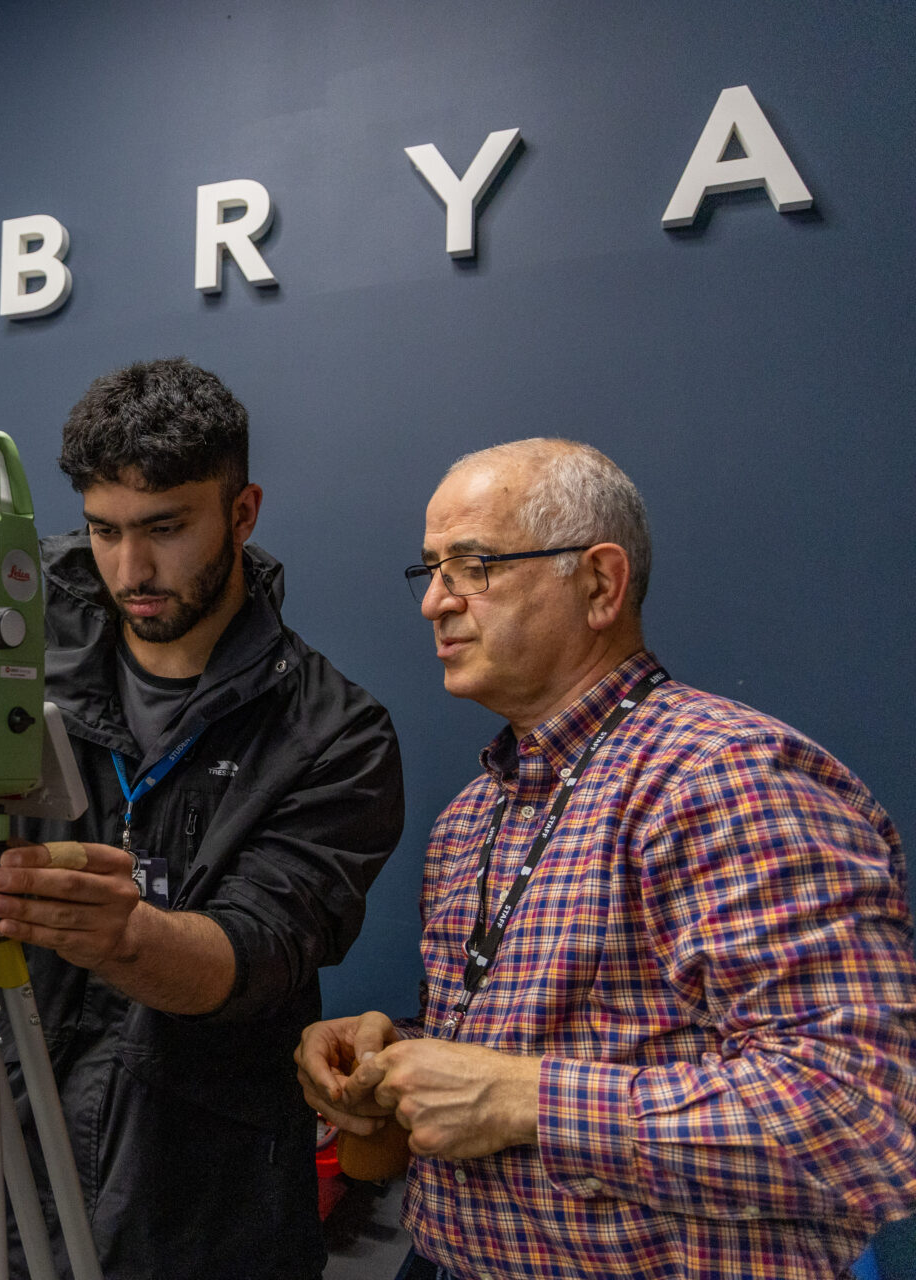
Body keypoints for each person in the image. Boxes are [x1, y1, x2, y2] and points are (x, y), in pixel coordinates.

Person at [296, 439, 916, 1280]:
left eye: (472, 565)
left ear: (598, 584)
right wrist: (393, 1064)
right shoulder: (473, 817)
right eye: (431, 569)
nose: (434, 602)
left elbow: (861, 1117)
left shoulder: (727, 778)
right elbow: (517, 1056)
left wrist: (525, 1099)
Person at [0, 357, 406, 1279]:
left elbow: (260, 951)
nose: (131, 568)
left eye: (164, 528)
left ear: (241, 512)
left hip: (198, 1219)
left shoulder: (336, 734)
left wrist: (126, 936)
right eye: (104, 531)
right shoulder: (14, 651)